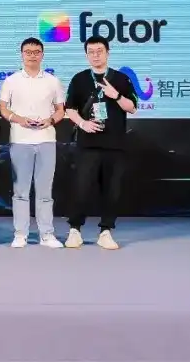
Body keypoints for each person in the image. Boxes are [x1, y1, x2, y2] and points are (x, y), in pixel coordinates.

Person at [64, 35, 138, 250]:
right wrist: (82, 123)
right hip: (87, 144)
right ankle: (75, 230)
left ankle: (106, 231)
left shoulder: (121, 79)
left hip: (115, 144)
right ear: (86, 55)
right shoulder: (79, 79)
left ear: (107, 53)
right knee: (81, 188)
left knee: (111, 190)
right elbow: (70, 109)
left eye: (99, 51)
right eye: (91, 52)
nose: (95, 55)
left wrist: (116, 96)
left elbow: (132, 107)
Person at [0, 37, 67, 249]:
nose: (32, 56)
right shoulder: (11, 81)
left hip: (46, 140)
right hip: (20, 140)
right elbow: (2, 108)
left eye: (36, 52)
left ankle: (47, 234)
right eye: (28, 52)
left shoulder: (53, 81)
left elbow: (61, 110)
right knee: (20, 191)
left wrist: (50, 120)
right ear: (22, 54)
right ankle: (21, 234)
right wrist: (19, 119)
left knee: (45, 192)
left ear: (42, 55)